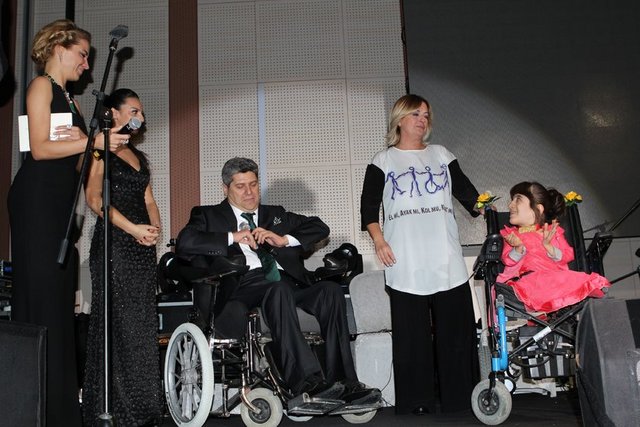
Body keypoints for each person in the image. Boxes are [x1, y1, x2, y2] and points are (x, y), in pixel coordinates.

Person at [176, 157, 379, 402]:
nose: (249, 192)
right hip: (243, 285)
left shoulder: (275, 215)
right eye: (240, 186)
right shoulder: (208, 215)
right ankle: (305, 382)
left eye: (253, 184)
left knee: (330, 291)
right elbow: (185, 243)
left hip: (286, 283)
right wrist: (233, 237)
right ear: (225, 188)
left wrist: (284, 240)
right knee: (278, 288)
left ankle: (344, 382)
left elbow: (319, 227)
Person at [7, 19, 127, 427]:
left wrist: (102, 144)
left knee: (59, 305)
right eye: (82, 54)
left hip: (58, 206)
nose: (87, 64)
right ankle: (33, 407)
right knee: (41, 298)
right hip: (37, 202)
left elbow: (76, 160)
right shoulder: (41, 87)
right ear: (59, 47)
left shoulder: (70, 101)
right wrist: (93, 141)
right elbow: (40, 149)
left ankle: (59, 410)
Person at [360, 94, 481, 415]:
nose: (422, 119)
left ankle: (461, 399)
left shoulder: (441, 155)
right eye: (415, 114)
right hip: (405, 258)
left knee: (455, 332)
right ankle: (417, 401)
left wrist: (501, 212)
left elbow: (471, 198)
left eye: (426, 115)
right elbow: (368, 209)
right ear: (399, 119)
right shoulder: (383, 160)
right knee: (411, 335)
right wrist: (380, 241)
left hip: (446, 257)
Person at [82, 89, 162, 425]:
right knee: (117, 324)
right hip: (115, 245)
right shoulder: (100, 149)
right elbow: (94, 199)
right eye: (134, 110)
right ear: (113, 113)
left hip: (142, 248)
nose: (140, 117)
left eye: (141, 112)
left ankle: (143, 408)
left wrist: (154, 229)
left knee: (141, 326)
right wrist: (132, 229)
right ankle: (114, 410)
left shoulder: (138, 155)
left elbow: (149, 200)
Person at [497, 182, 610, 312]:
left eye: (517, 200)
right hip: (526, 284)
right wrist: (518, 248)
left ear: (538, 209)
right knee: (541, 281)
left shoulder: (553, 232)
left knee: (566, 278)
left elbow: (568, 255)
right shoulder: (511, 235)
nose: (510, 205)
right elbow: (507, 260)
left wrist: (549, 246)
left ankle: (591, 288)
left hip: (553, 282)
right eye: (512, 200)